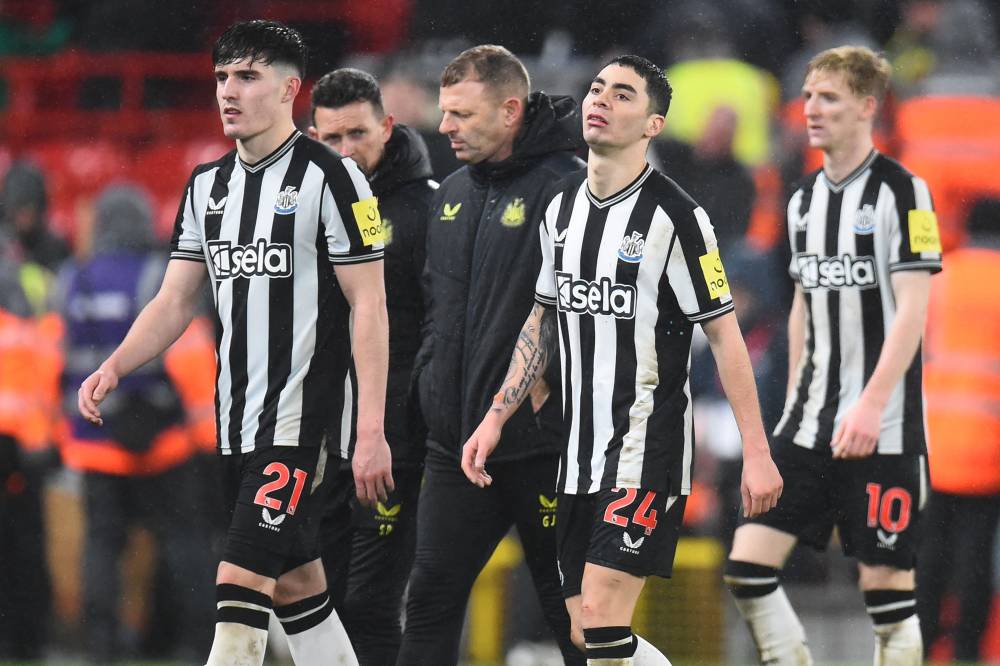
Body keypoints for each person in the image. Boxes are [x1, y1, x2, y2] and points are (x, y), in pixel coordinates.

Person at [76, 20, 393, 666]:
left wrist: (369, 430)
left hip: (299, 427)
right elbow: (174, 300)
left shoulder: (333, 179)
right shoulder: (207, 186)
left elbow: (370, 304)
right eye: (222, 76)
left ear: (288, 90)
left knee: (239, 587)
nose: (229, 90)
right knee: (302, 595)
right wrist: (116, 364)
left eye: (247, 76)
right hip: (235, 428)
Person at [462, 55, 783, 666]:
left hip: (644, 448)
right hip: (577, 453)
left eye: (623, 95)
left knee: (604, 621)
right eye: (597, 88)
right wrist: (496, 416)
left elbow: (724, 336)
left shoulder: (677, 216)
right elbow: (543, 321)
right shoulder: (561, 210)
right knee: (586, 633)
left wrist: (758, 454)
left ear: (653, 125)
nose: (601, 100)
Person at [724, 46, 942, 666]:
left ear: (867, 107)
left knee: (886, 592)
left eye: (830, 98)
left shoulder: (905, 192)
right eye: (810, 96)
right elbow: (800, 303)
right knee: (747, 567)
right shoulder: (799, 201)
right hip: (810, 421)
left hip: (885, 429)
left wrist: (871, 405)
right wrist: (794, 397)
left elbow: (913, 310)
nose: (811, 109)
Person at [398, 45, 585, 666]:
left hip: (543, 447)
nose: (444, 125)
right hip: (456, 445)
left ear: (510, 110)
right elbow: (437, 307)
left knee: (573, 614)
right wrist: (429, 386)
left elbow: (588, 311)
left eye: (461, 113)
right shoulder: (449, 191)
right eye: (443, 112)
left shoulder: (572, 189)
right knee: (428, 599)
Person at [306, 67, 434, 666]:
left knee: (371, 603)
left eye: (356, 134)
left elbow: (441, 323)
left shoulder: (428, 211)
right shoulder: (304, 211)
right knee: (313, 600)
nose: (345, 152)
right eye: (330, 140)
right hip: (320, 434)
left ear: (387, 126)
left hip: (396, 437)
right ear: (311, 137)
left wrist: (406, 418)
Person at [57, 184, 215, 663]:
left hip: (93, 440)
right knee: (183, 544)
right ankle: (198, 645)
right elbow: (190, 357)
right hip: (163, 439)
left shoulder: (71, 278)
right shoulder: (156, 275)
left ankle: (100, 648)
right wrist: (210, 438)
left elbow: (54, 360)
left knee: (102, 547)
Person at [917, 197, 1000, 662]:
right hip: (990, 449)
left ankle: (925, 643)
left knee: (930, 554)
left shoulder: (940, 279)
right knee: (976, 558)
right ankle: (968, 647)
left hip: (937, 443)